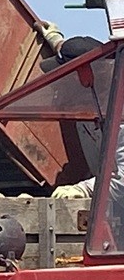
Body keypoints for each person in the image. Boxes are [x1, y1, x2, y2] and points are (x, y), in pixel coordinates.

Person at [33, 21, 109, 199]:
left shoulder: (118, 115)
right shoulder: (85, 98)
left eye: (64, 75)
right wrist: (54, 38)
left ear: (81, 78)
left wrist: (82, 189)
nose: (59, 83)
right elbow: (80, 56)